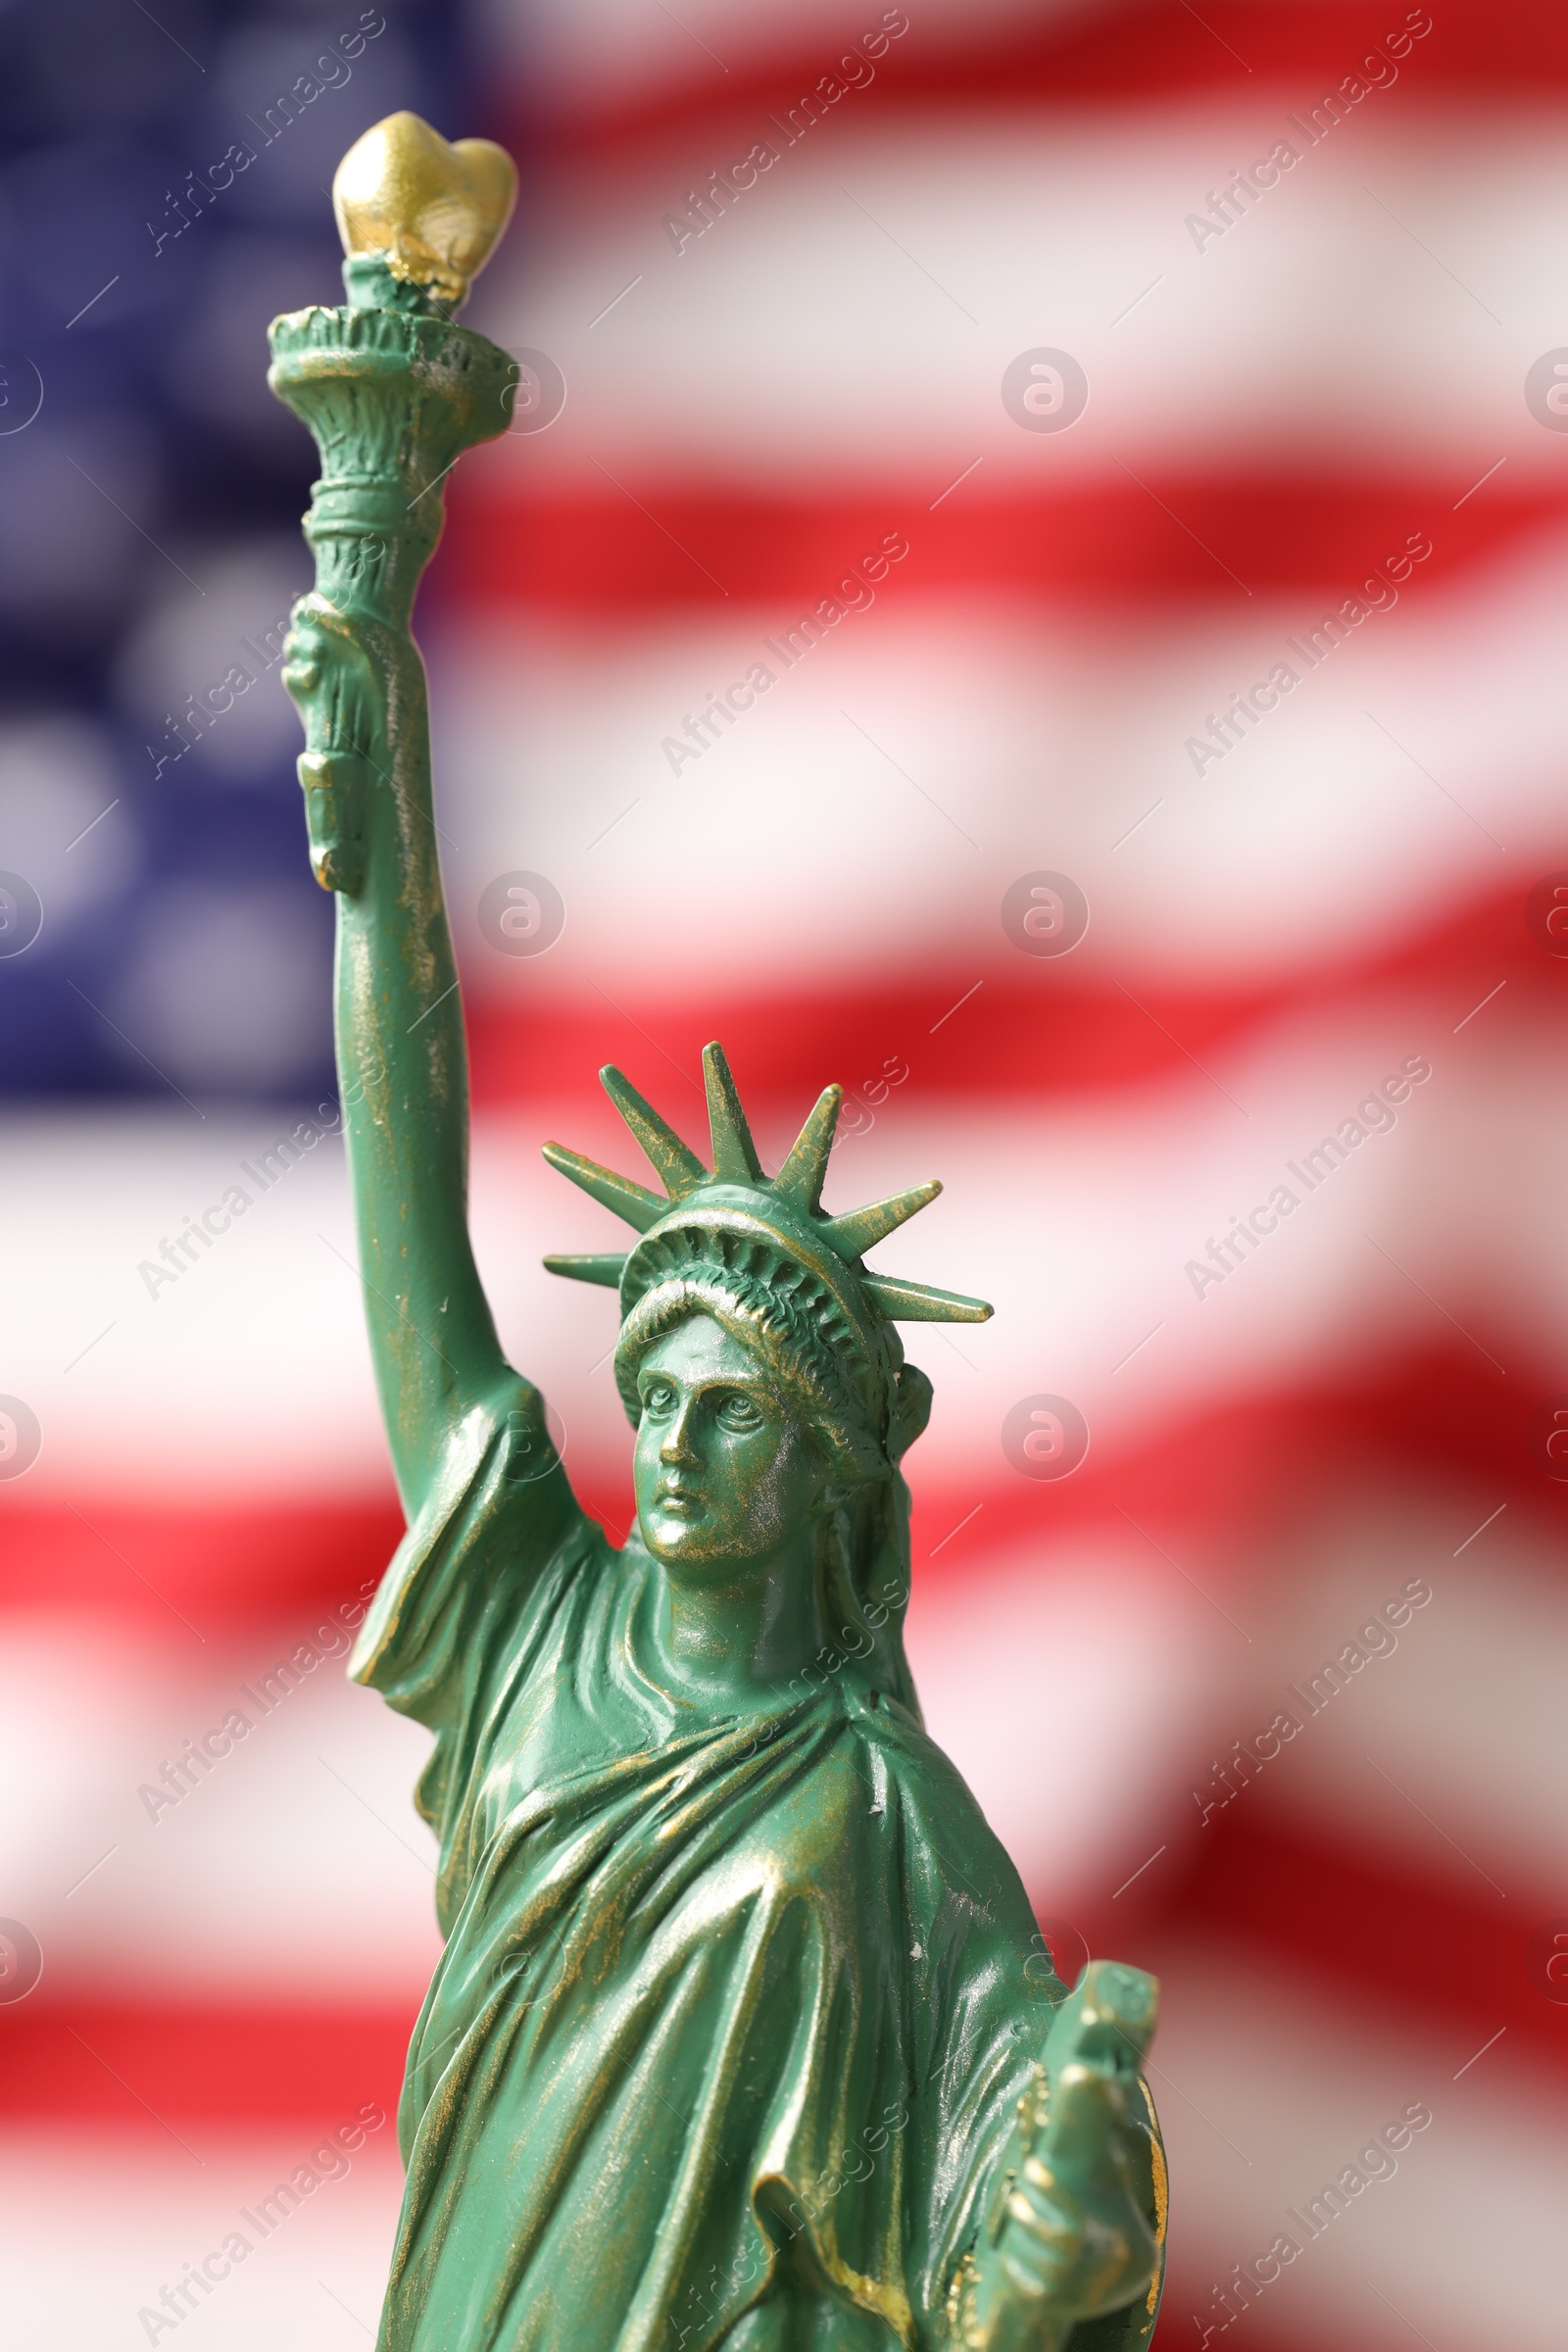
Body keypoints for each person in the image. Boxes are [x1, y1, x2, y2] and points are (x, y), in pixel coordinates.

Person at [280, 582, 1165, 2352]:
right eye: (653, 1396)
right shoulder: (534, 1628)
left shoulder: (897, 1826)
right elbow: (410, 1223)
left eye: (736, 1409)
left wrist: (1078, 2223)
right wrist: (384, 870)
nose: (670, 1446)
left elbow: (1013, 2167)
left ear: (834, 1470)